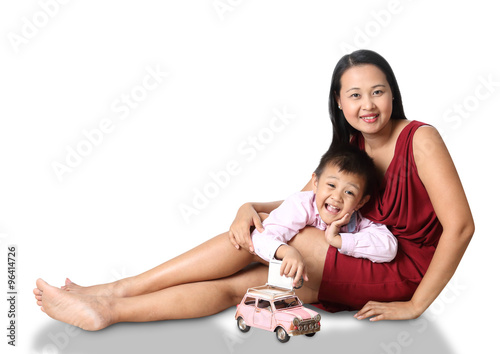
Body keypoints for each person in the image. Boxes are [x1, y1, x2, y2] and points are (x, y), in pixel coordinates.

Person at [34, 49, 474, 331]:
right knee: (253, 268)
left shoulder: (420, 138)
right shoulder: (350, 147)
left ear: (393, 95)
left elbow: (460, 228)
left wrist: (416, 305)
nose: (368, 105)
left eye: (377, 92)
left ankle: (116, 295)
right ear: (339, 104)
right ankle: (108, 304)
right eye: (354, 95)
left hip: (399, 264)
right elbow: (308, 201)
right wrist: (251, 206)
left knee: (283, 244)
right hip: (351, 249)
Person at [252, 144, 398, 288]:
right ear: (315, 183)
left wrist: (338, 239)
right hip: (272, 255)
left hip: (301, 277)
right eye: (331, 185)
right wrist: (286, 251)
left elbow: (389, 248)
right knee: (244, 242)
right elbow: (260, 237)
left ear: (360, 202)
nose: (337, 197)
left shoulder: (359, 219)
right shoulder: (302, 204)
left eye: (349, 192)